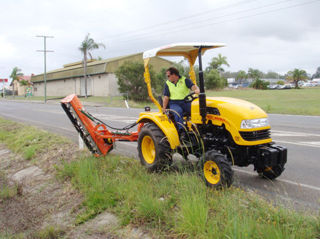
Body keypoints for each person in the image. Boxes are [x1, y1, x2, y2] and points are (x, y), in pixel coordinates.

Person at [162, 67, 200, 135]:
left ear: (174, 75)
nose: (168, 78)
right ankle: (182, 131)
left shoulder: (185, 80)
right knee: (178, 111)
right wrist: (164, 108)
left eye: (168, 76)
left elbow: (193, 87)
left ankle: (198, 128)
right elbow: (166, 97)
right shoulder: (167, 83)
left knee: (197, 109)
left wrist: (196, 89)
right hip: (174, 103)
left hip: (185, 102)